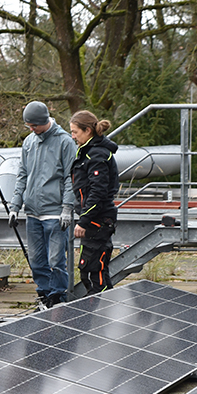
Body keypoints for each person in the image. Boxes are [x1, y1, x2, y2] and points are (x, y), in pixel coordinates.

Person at [7, 100, 76, 308]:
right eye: (29, 126)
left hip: (54, 212)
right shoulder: (29, 142)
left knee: (56, 260)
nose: (31, 129)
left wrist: (67, 208)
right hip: (33, 211)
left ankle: (58, 296)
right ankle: (44, 294)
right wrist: (15, 205)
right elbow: (22, 175)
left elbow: (70, 177)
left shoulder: (64, 142)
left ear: (44, 121)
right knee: (37, 260)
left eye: (34, 125)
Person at [69, 109, 120, 295]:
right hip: (94, 219)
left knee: (93, 272)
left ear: (87, 131)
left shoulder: (96, 154)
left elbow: (98, 192)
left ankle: (101, 313)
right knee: (91, 271)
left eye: (75, 132)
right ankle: (103, 312)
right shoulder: (88, 151)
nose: (73, 136)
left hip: (97, 220)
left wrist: (84, 220)